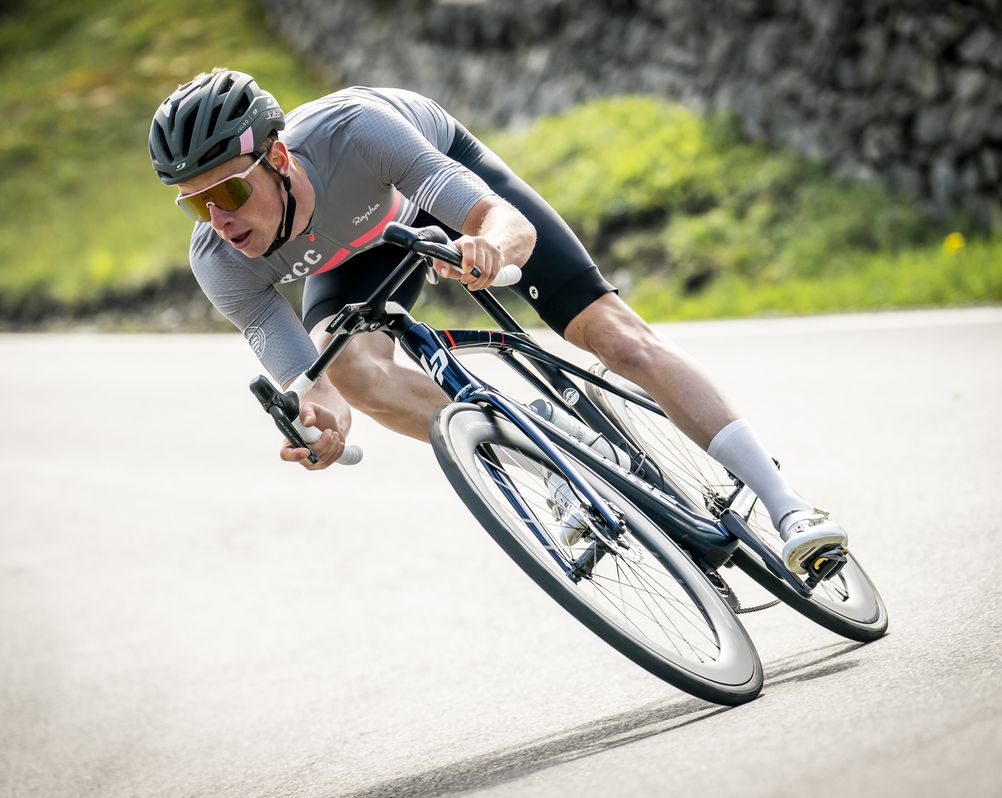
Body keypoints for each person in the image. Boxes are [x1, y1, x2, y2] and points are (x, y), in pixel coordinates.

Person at [148, 68, 847, 573]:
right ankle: (545, 447)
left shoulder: (353, 133)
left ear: (276, 157)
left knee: (615, 336)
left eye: (228, 192)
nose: (218, 219)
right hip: (353, 249)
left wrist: (489, 247)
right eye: (194, 204)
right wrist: (321, 424)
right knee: (353, 368)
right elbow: (313, 385)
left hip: (430, 183)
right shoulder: (220, 260)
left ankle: (789, 507)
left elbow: (501, 220)